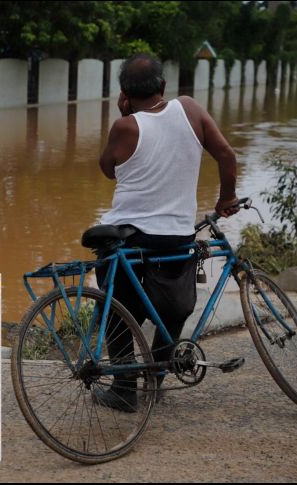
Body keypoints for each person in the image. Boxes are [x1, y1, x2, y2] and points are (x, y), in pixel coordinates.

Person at [92, 53, 239, 412]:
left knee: (116, 305)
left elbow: (108, 169)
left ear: (124, 94)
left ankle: (125, 386)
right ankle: (156, 376)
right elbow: (226, 155)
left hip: (128, 235)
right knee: (172, 307)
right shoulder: (189, 108)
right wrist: (227, 198)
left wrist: (126, 116)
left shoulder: (125, 127)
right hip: (175, 237)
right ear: (162, 86)